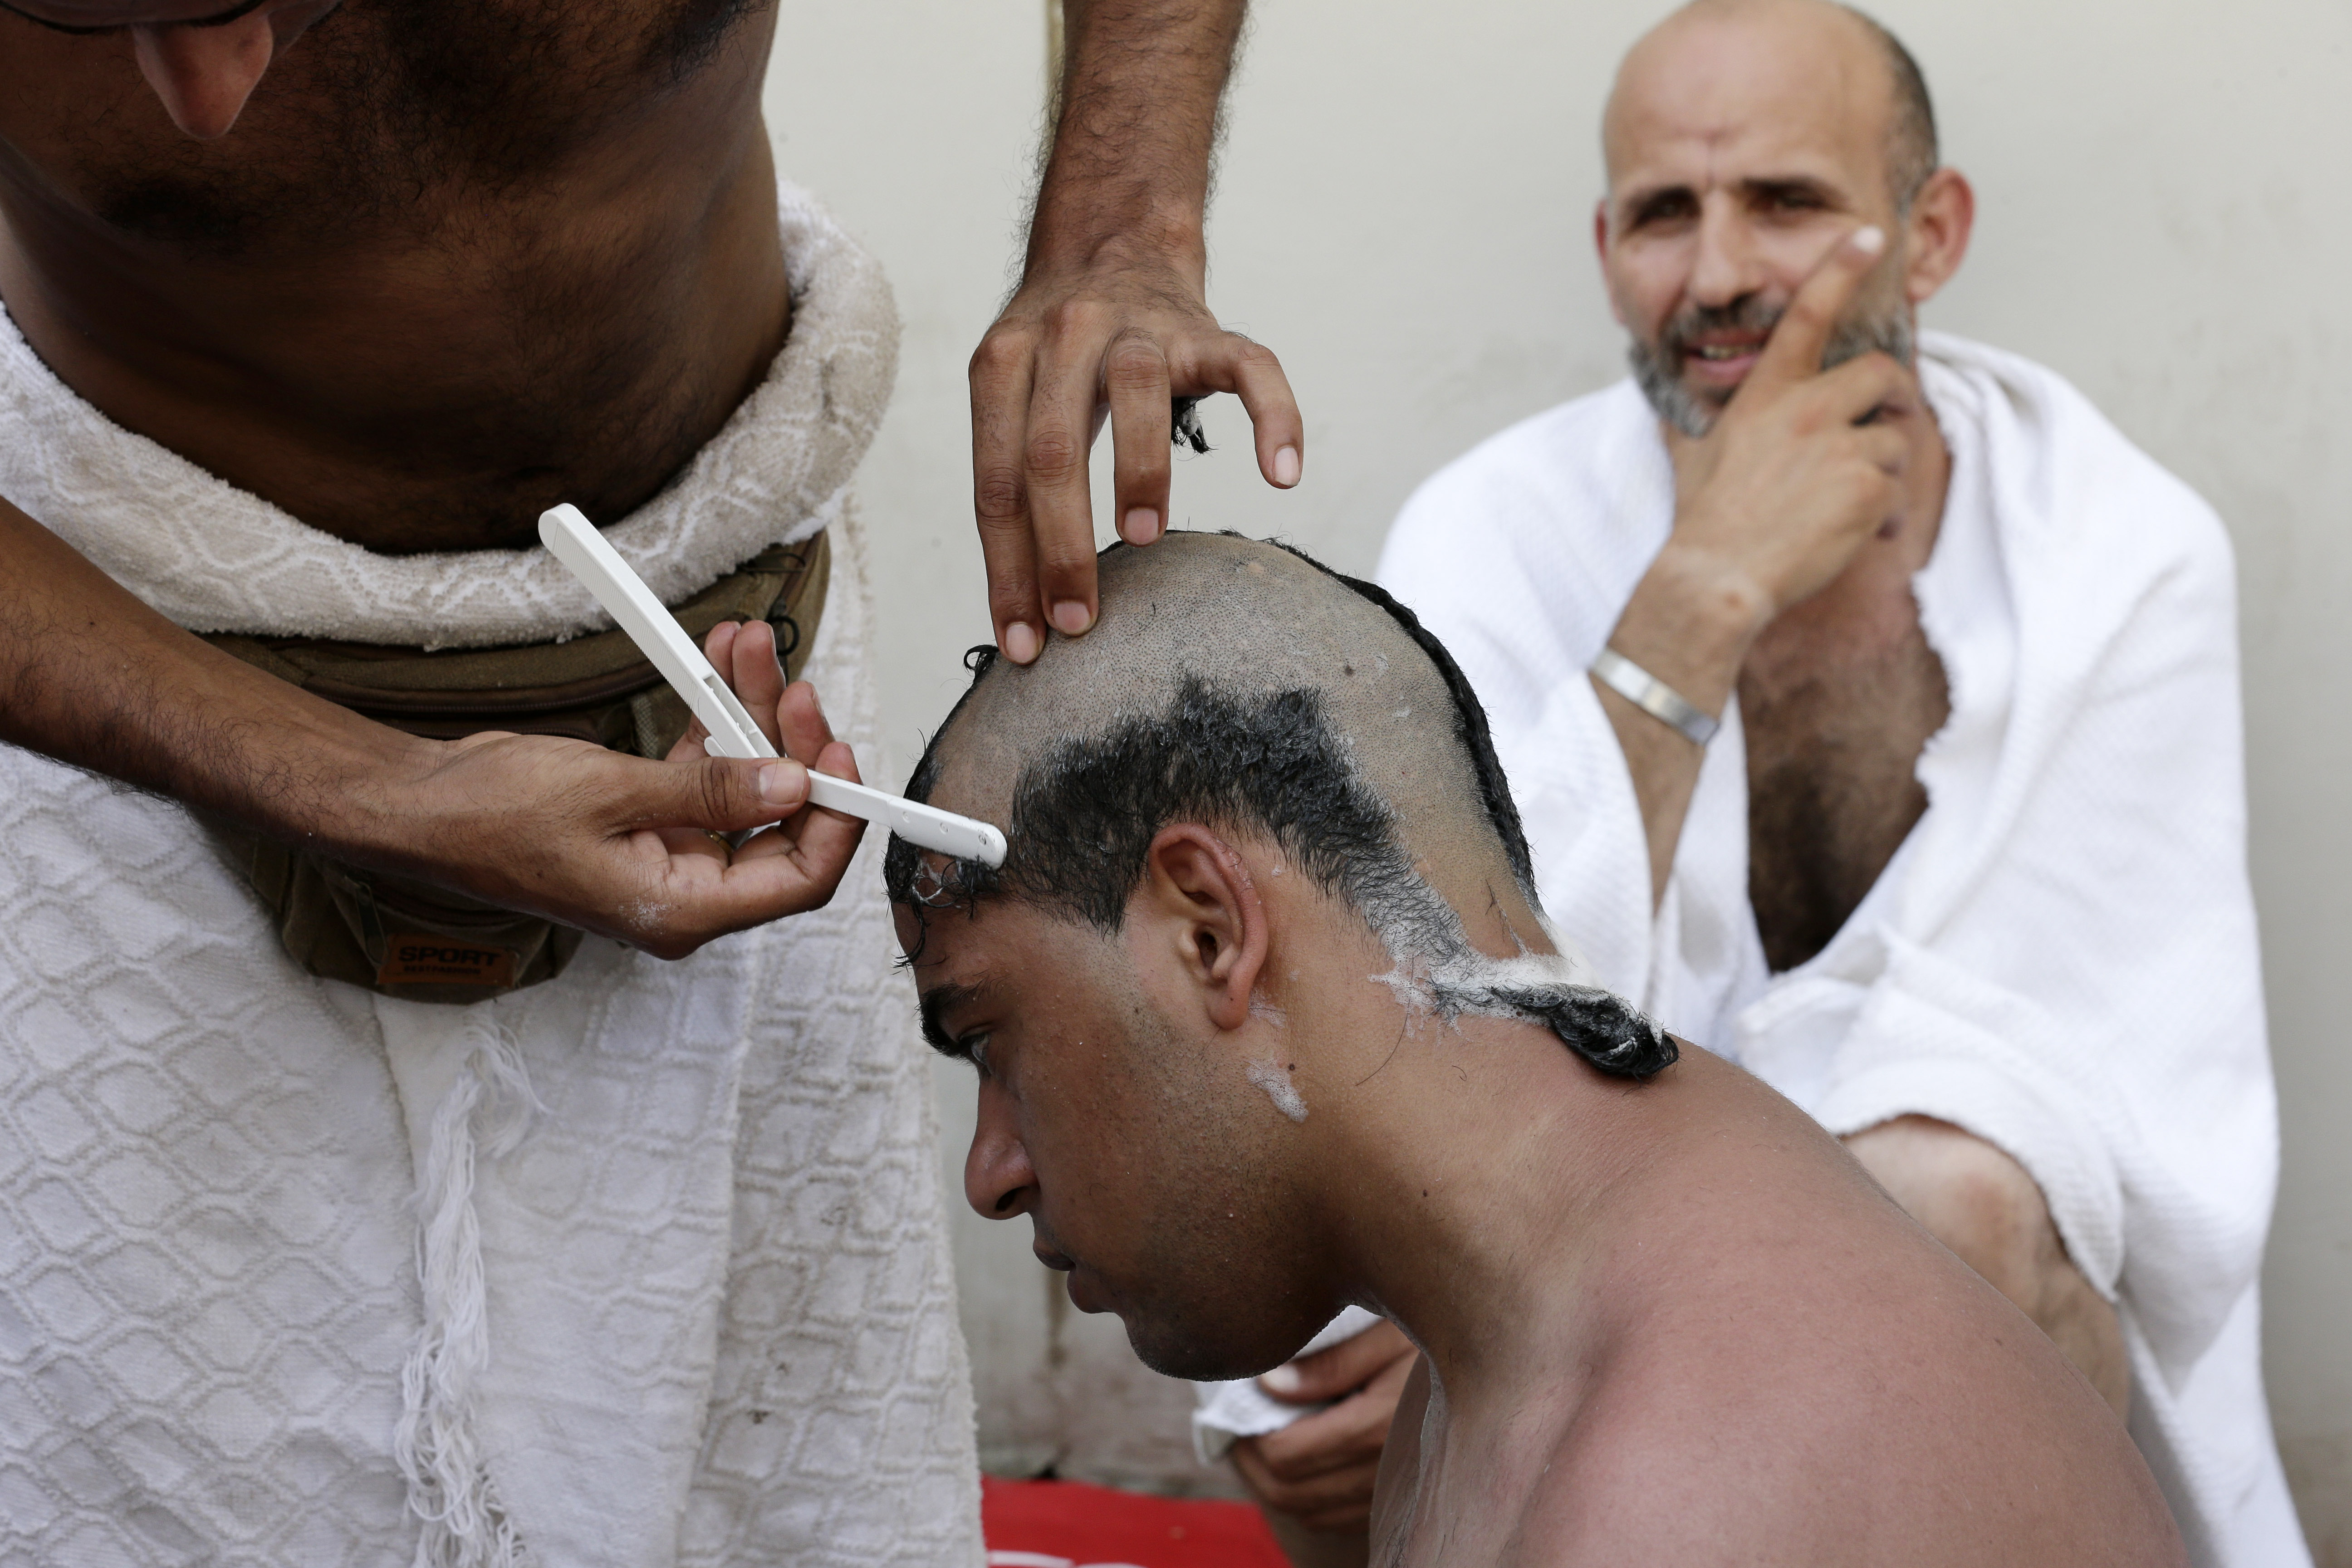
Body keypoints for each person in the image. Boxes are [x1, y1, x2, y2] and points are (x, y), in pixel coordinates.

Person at [0, 1, 1298, 1561]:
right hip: (96, 721)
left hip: (736, 648)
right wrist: (369, 789)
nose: (205, 95)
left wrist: (1122, 225)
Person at [1356, 3, 2303, 1565]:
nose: (1720, 275)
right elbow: (1441, 1038)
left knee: (1946, 1200)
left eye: (1786, 202)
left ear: (1932, 233)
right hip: (1570, 1295)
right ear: (1606, 250)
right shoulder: (1491, 537)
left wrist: (1589, 1266)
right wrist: (1696, 607)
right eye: (1666, 214)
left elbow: (2090, 1118)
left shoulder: (2118, 556)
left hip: (1915, 1321)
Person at [888, 530, 2187, 1568]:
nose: (993, 1173)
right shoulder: (1515, 1342)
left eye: (989, 1038)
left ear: (1210, 931)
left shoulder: (1678, 1486)